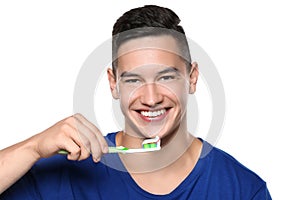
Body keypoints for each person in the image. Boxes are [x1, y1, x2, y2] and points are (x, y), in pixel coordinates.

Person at [0, 5, 271, 199]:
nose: (151, 99)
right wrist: (33, 148)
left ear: (192, 77)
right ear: (112, 83)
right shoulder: (67, 172)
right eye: (133, 80)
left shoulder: (244, 190)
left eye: (166, 77)